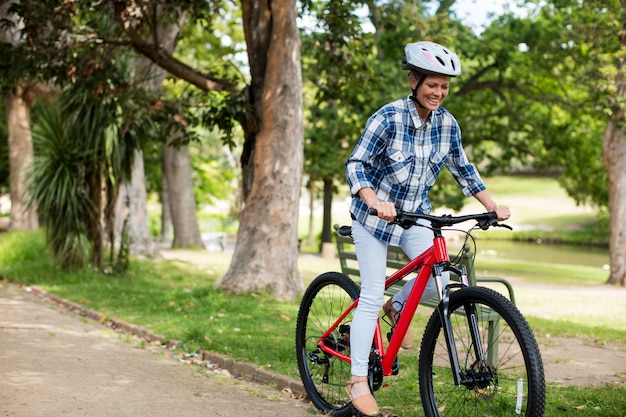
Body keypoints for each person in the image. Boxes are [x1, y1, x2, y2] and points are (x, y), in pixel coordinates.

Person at [344, 41, 511, 416]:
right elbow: (355, 165)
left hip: (416, 215)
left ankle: (397, 306)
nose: (438, 92)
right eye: (432, 85)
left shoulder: (448, 124)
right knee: (370, 292)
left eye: (444, 86)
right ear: (414, 80)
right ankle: (357, 380)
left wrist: (491, 206)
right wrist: (373, 201)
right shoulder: (387, 118)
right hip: (373, 218)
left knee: (438, 272)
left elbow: (464, 170)